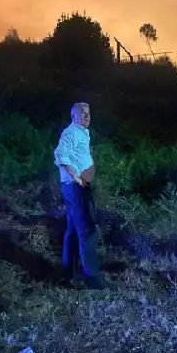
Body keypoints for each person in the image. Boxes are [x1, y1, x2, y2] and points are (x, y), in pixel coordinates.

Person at [54, 101, 104, 290]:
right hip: (75, 188)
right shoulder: (71, 132)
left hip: (79, 187)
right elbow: (59, 155)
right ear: (73, 116)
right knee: (88, 230)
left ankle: (67, 273)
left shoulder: (82, 132)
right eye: (82, 113)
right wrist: (77, 177)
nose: (86, 115)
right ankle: (92, 279)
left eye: (88, 112)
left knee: (74, 230)